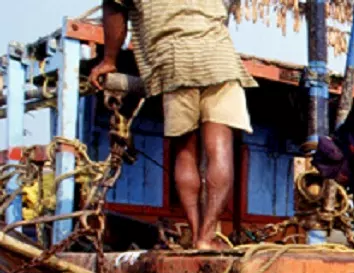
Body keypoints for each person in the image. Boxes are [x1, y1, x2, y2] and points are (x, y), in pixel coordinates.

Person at [88, 0, 256, 251]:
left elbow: (114, 11)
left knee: (184, 150)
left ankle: (197, 231)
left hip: (172, 60)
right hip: (220, 56)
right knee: (219, 149)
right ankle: (206, 238)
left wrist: (109, 59)